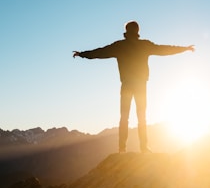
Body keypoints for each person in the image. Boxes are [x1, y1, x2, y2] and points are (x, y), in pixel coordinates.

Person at [73, 21, 195, 153]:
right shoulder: (144, 45)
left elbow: (100, 52)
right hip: (141, 85)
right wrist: (184, 48)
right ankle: (144, 148)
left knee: (124, 116)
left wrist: (82, 54)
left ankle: (122, 148)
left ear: (126, 30)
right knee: (141, 116)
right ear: (137, 30)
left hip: (126, 85)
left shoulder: (120, 46)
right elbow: (165, 49)